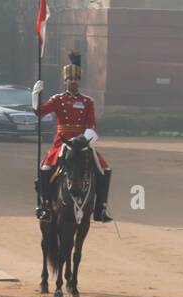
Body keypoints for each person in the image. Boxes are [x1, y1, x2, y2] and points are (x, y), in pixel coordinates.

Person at [33, 50, 113, 223]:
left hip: (83, 142)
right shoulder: (57, 99)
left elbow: (92, 125)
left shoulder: (87, 102)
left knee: (105, 170)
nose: (73, 82)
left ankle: (100, 208)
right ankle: (45, 206)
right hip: (62, 143)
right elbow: (39, 112)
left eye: (76, 79)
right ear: (65, 81)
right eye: (70, 79)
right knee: (45, 170)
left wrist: (85, 139)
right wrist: (35, 95)